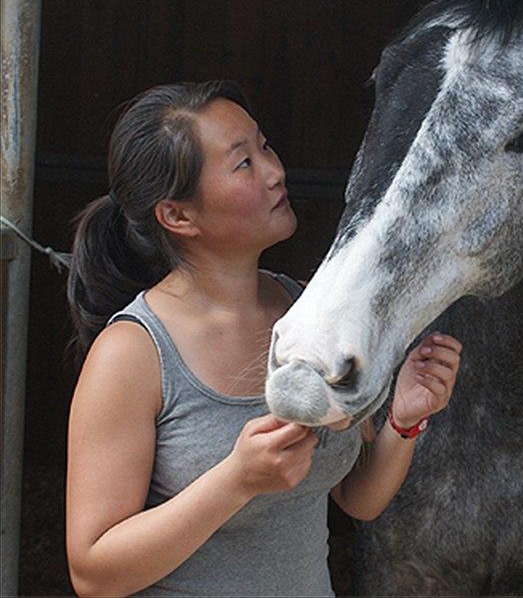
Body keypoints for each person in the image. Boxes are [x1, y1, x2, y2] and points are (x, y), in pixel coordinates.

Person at [65, 80, 463, 598]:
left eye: (264, 146)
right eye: (243, 164)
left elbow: (357, 498)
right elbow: (93, 572)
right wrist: (236, 481)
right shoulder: (132, 353)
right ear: (178, 215)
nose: (276, 172)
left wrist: (403, 421)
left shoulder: (309, 314)